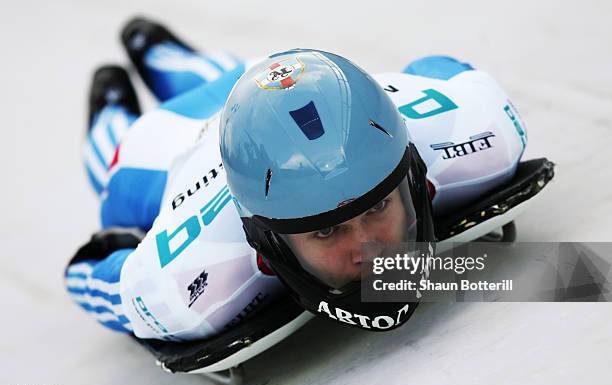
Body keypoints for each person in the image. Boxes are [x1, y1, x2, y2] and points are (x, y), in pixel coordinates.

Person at [65, 18, 527, 340]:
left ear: (411, 175)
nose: (371, 250)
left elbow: (438, 71)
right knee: (116, 161)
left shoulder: (484, 133)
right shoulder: (185, 285)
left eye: (379, 206)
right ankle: (121, 94)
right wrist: (111, 249)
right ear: (270, 241)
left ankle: (156, 50)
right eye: (327, 228)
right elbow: (95, 280)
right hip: (166, 148)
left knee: (228, 75)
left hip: (266, 79)